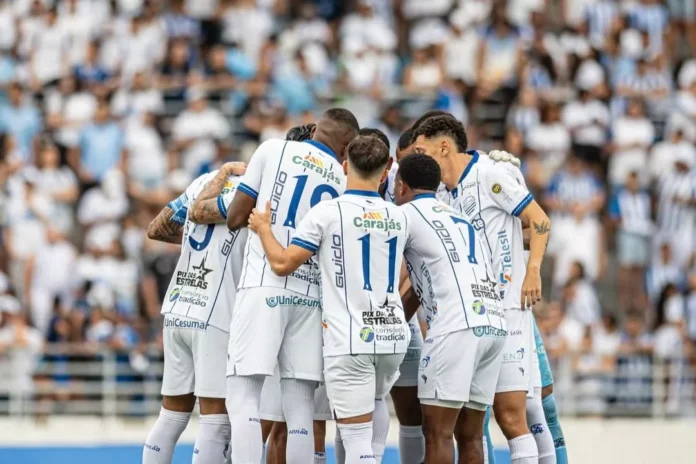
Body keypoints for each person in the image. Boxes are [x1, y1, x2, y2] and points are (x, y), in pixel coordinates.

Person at [247, 134, 411, 464]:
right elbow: (408, 271)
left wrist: (263, 228)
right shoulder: (400, 216)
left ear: (345, 166)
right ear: (386, 171)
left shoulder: (327, 212)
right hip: (393, 335)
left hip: (350, 338)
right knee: (375, 404)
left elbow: (282, 263)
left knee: (356, 439)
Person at [411, 115, 552, 464]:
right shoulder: (440, 194)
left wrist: (532, 270)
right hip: (471, 315)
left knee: (512, 415)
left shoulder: (490, 173)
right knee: (469, 424)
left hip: (509, 307)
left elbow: (539, 220)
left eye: (422, 150)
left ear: (444, 146)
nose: (419, 158)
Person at [225, 108, 359, 464]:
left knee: (244, 396)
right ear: (347, 150)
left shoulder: (273, 149)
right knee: (300, 409)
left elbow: (235, 217)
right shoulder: (345, 178)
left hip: (265, 284)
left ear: (315, 130)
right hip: (312, 295)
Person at [393, 153, 506, 464]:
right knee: (471, 436)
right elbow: (427, 279)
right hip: (492, 322)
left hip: (456, 325)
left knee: (437, 433)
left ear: (401, 187)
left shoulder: (405, 215)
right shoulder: (459, 217)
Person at [143, 161, 247, 464]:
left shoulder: (204, 182)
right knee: (216, 419)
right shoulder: (255, 190)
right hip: (215, 311)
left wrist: (194, 233)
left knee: (171, 415)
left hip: (177, 308)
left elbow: (156, 228)